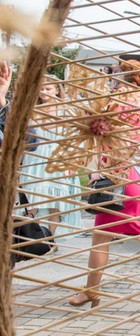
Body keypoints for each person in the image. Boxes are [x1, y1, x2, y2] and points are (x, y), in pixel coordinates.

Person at [67, 60, 140, 307]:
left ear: (126, 77)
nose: (113, 76)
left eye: (117, 72)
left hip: (118, 175)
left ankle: (92, 290)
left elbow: (97, 130)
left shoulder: (116, 103)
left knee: (101, 236)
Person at [19, 74, 82, 240]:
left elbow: (74, 138)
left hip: (57, 158)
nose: (44, 92)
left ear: (56, 90)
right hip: (36, 158)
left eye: (48, 88)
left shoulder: (66, 110)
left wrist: (71, 162)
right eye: (41, 88)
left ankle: (50, 239)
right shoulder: (33, 110)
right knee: (32, 200)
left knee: (56, 201)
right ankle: (30, 237)